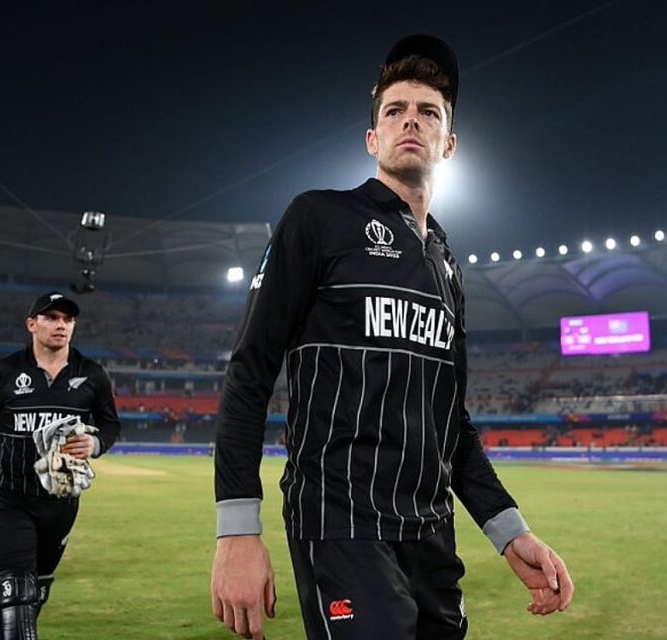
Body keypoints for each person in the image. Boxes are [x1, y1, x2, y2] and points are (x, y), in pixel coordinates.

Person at [210, 34, 574, 640]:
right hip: (341, 524)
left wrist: (511, 532)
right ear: (372, 138)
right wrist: (237, 530)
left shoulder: (447, 267)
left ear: (449, 143)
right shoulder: (319, 218)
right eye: (395, 110)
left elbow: (451, 425)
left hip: (431, 533)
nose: (411, 120)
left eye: (428, 111)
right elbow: (250, 370)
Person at [0, 291, 121, 639]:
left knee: (31, 598)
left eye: (68, 319)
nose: (61, 325)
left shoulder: (92, 374)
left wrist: (95, 444)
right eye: (51, 317)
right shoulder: (5, 371)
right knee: (14, 597)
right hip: (9, 502)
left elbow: (110, 425)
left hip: (61, 505)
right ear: (32, 324)